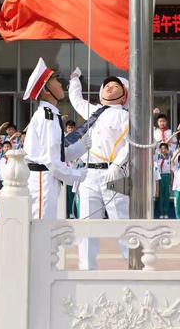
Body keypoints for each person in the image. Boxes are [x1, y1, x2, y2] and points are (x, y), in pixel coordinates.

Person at [69, 67, 129, 270]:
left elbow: (131, 144)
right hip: (89, 174)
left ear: (124, 96)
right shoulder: (94, 111)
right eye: (107, 85)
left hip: (115, 174)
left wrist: (118, 165)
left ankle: (134, 265)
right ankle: (87, 269)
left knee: (121, 220)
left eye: (115, 86)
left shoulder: (125, 116)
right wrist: (75, 79)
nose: (110, 88)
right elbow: (76, 100)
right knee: (87, 223)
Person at [23, 57, 88, 221]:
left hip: (46, 179)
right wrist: (77, 174)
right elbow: (51, 160)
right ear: (46, 90)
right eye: (55, 80)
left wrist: (84, 145)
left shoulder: (50, 115)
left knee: (46, 228)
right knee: (41, 227)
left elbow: (58, 153)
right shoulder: (47, 117)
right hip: (42, 180)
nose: (60, 84)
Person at [154, 142, 172, 219]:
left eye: (165, 148)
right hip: (159, 176)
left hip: (167, 176)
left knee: (166, 195)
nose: (163, 150)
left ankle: (166, 212)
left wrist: (171, 179)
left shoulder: (170, 157)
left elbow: (171, 169)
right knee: (161, 195)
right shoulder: (157, 157)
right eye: (161, 148)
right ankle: (161, 212)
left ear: (167, 150)